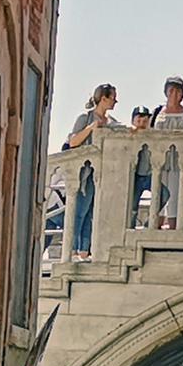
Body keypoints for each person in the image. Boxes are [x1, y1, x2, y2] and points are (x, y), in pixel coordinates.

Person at [63, 84, 119, 259]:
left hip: (100, 175)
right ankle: (70, 251)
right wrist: (91, 128)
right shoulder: (85, 118)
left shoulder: (112, 122)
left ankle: (84, 252)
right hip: (83, 174)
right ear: (103, 99)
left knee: (91, 215)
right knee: (79, 213)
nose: (115, 102)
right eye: (113, 98)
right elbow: (73, 141)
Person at [151, 77, 183, 230]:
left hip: (179, 162)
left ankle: (174, 230)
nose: (174, 94)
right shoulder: (157, 112)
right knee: (158, 196)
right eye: (171, 90)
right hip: (160, 161)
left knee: (176, 196)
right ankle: (155, 229)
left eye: (178, 90)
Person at [127, 106, 154, 227]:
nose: (142, 125)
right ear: (133, 121)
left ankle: (150, 222)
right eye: (139, 121)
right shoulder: (129, 135)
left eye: (145, 121)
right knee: (132, 207)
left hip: (149, 175)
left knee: (164, 195)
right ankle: (130, 228)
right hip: (136, 176)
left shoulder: (153, 137)